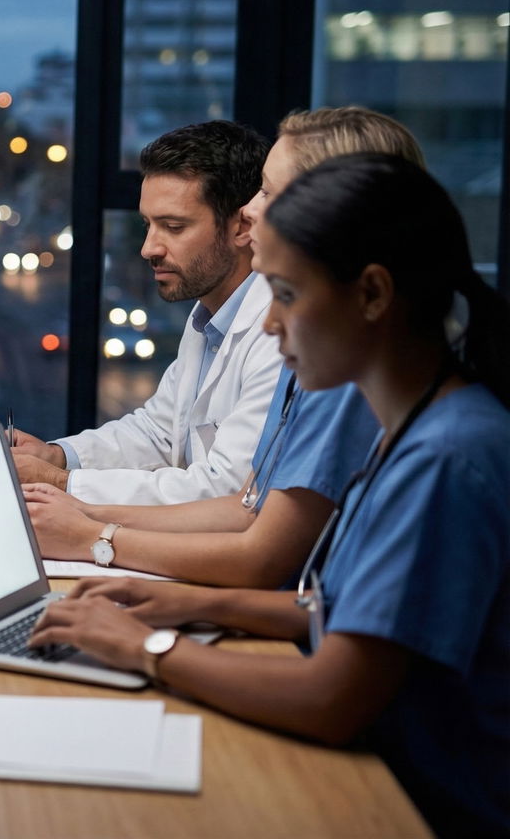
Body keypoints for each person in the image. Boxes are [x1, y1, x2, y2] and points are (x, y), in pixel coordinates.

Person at [29, 153, 510, 837]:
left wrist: (149, 649)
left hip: (420, 804)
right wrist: (186, 603)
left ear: (372, 295)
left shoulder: (445, 457)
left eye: (285, 295)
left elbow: (332, 695)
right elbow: (337, 609)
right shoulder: (416, 425)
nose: (268, 324)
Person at [23, 108, 419, 586]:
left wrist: (88, 525)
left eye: (268, 193)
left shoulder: (339, 376)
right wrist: (62, 468)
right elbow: (247, 513)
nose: (251, 209)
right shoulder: (231, 319)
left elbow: (255, 540)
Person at [10, 120, 279, 504]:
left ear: (242, 227)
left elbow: (227, 490)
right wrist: (57, 456)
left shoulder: (276, 331)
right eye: (148, 225)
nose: (149, 248)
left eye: (173, 226)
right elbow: (158, 432)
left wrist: (62, 483)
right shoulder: (207, 315)